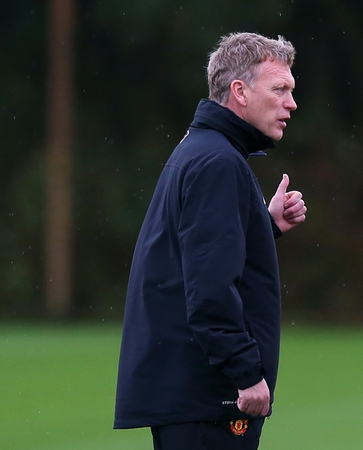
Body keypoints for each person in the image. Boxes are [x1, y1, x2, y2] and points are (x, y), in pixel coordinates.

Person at [114, 32, 306, 450]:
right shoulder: (218, 161)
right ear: (239, 91)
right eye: (280, 89)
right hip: (208, 396)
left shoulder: (203, 148)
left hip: (189, 393)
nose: (291, 103)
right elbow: (209, 288)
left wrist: (263, 224)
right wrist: (246, 372)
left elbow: (192, 254)